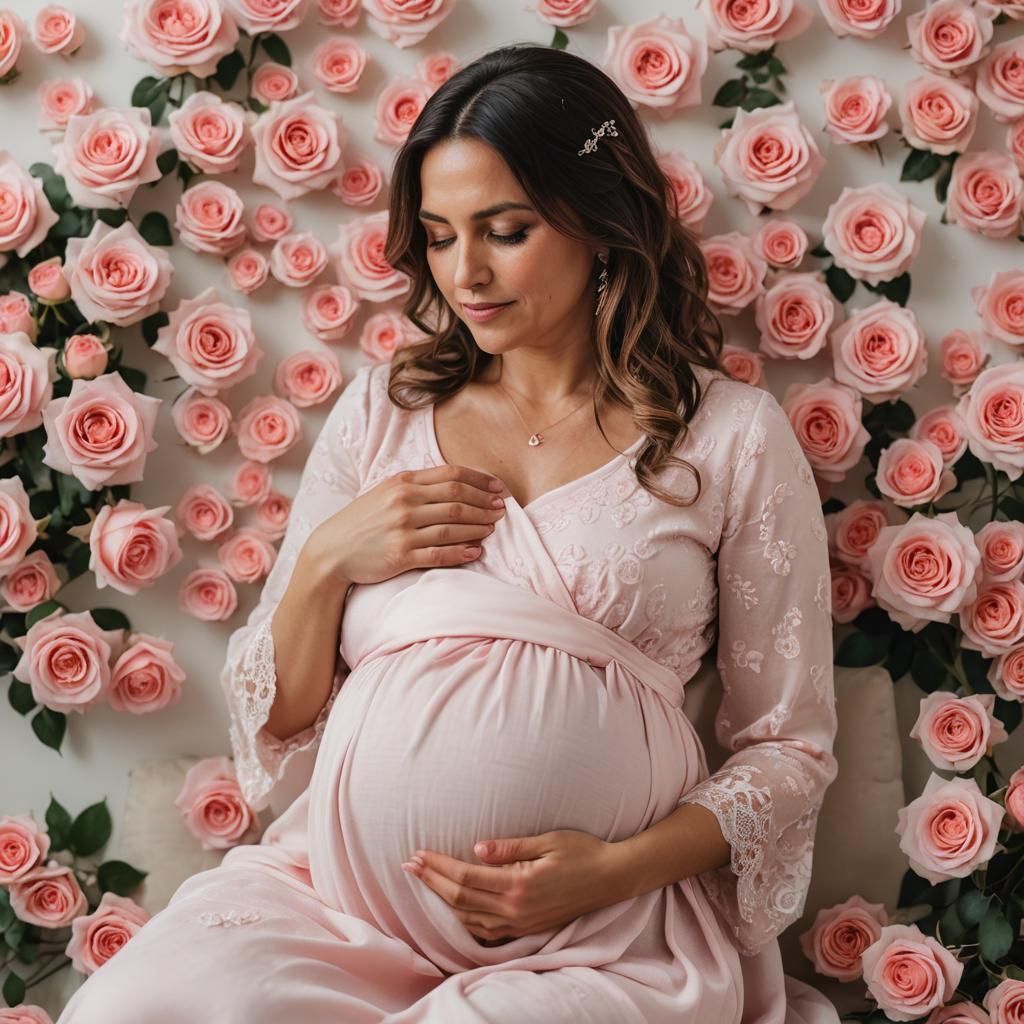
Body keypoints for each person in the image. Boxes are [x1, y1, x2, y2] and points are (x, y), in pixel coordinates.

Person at [59, 43, 841, 1023]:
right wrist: (330, 560)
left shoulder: (728, 436)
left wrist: (610, 872)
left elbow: (787, 748)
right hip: (337, 909)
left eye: (505, 231)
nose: (465, 273)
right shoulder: (383, 409)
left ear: (602, 222)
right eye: (436, 237)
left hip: (602, 931)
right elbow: (287, 710)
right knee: (125, 1009)